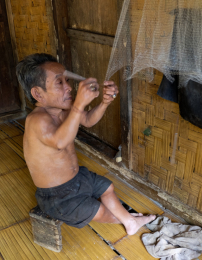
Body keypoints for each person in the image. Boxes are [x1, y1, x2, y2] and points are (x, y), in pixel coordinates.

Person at [16, 53, 155, 235]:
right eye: (60, 83)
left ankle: (129, 221)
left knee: (107, 187)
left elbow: (88, 119)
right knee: (99, 211)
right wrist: (78, 105)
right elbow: (59, 141)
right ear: (37, 94)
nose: (69, 88)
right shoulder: (36, 120)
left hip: (77, 178)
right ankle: (130, 220)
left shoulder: (64, 110)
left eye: (67, 80)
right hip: (58, 196)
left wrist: (104, 102)